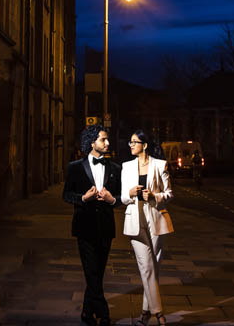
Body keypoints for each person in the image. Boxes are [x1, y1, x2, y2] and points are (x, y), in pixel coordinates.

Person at [63, 125, 122, 326]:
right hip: (84, 228)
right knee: (92, 272)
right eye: (103, 139)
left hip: (106, 229)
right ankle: (103, 312)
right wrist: (83, 198)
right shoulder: (75, 167)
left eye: (107, 139)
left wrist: (111, 199)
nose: (107, 143)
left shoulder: (115, 168)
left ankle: (88, 313)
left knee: (97, 272)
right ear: (92, 142)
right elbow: (66, 195)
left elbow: (121, 198)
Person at [121, 129, 173, 326]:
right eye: (130, 142)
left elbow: (169, 194)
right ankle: (159, 313)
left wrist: (154, 196)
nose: (131, 145)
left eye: (135, 142)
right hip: (135, 222)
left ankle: (145, 312)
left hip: (157, 220)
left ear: (145, 145)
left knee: (153, 269)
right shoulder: (126, 167)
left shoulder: (160, 165)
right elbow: (124, 198)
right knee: (146, 266)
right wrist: (131, 193)